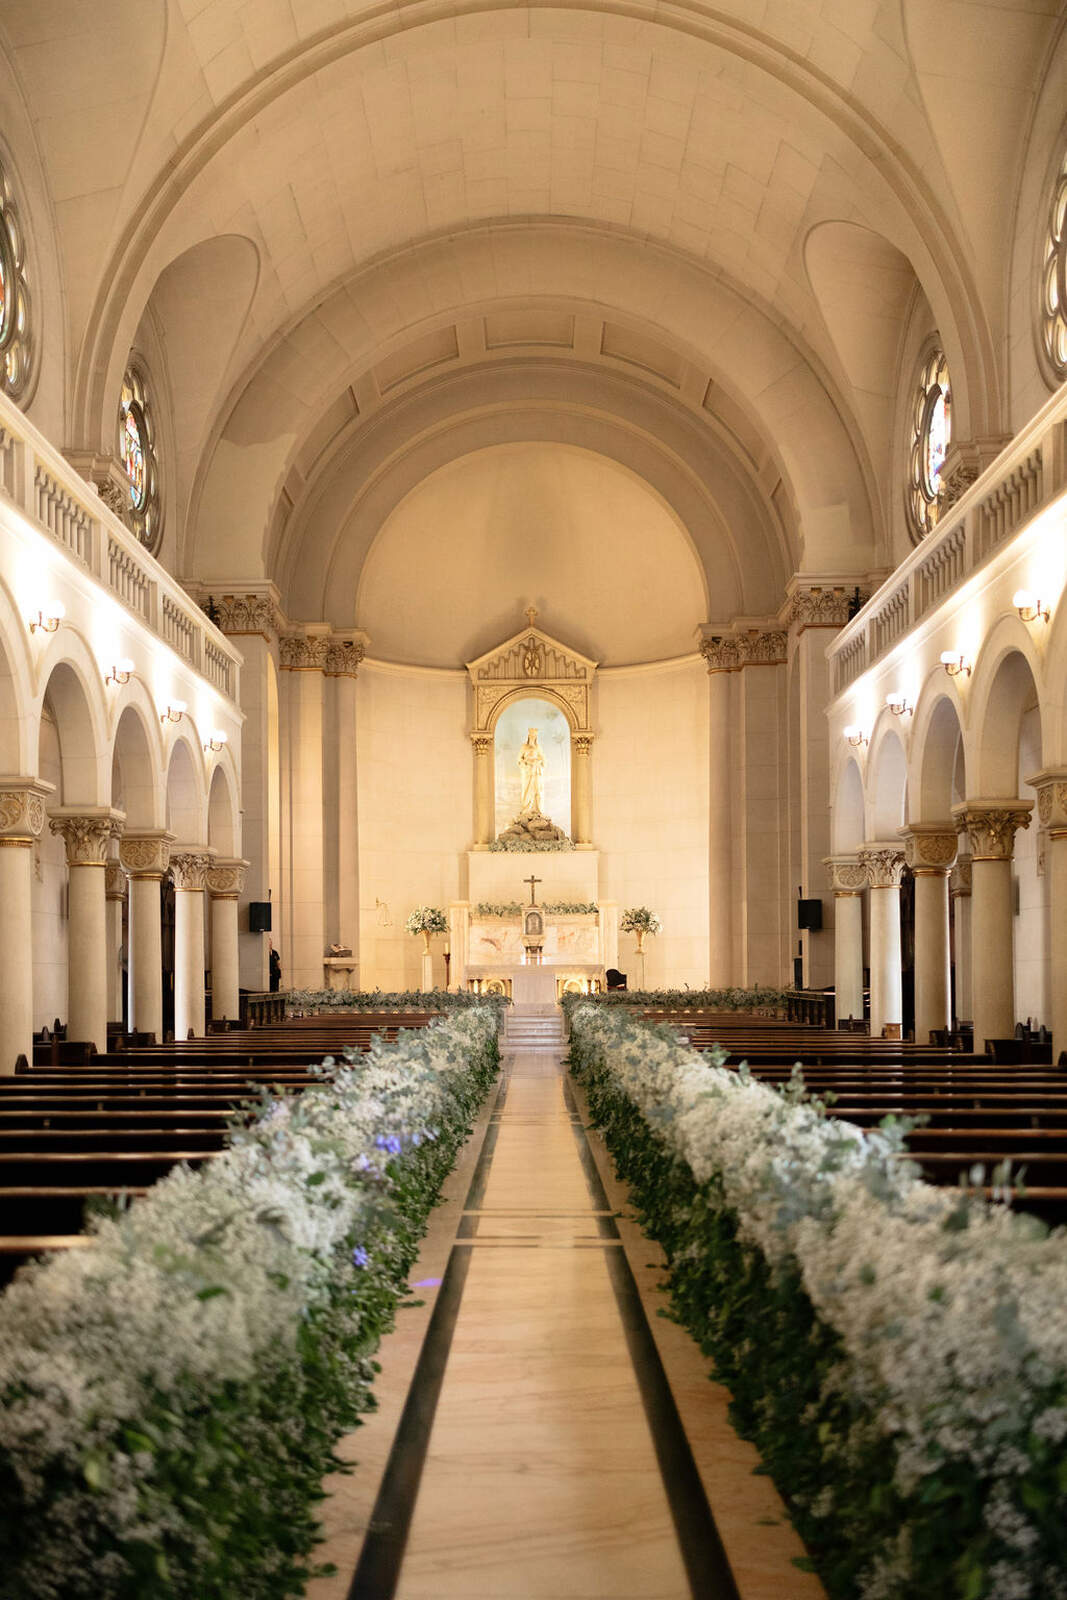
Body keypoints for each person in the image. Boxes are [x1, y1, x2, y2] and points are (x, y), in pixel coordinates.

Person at [518, 726, 545, 815]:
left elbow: (543, 760)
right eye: (531, 735)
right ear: (529, 736)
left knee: (537, 790)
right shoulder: (524, 747)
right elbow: (519, 760)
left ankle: (537, 810)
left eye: (534, 736)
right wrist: (526, 763)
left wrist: (538, 762)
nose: (533, 737)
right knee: (527, 790)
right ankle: (526, 810)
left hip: (536, 771)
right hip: (527, 772)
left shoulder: (538, 747)